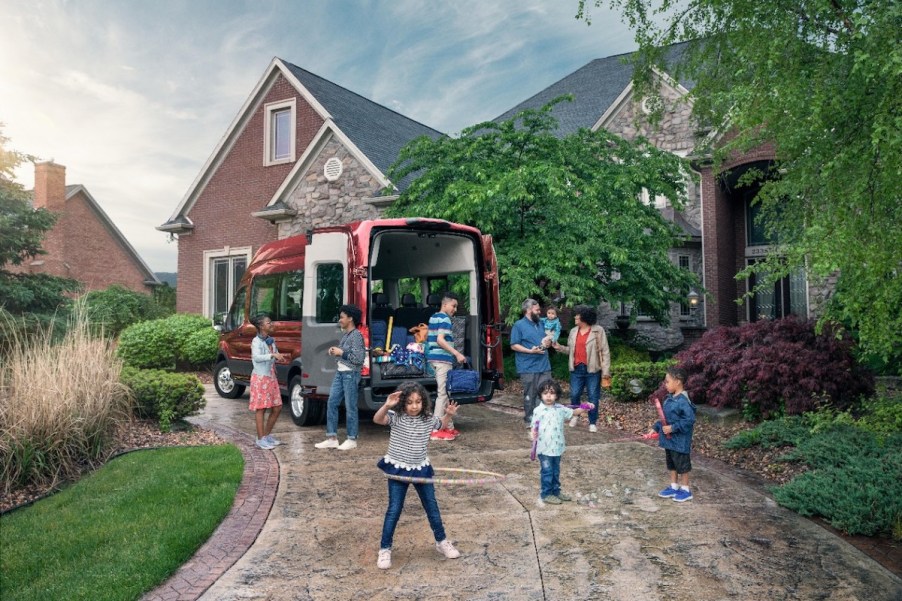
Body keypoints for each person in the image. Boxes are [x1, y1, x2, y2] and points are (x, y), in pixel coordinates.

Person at [373, 381, 462, 569]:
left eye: (418, 402)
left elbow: (441, 426)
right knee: (394, 509)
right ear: (402, 402)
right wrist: (386, 405)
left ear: (423, 402)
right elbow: (377, 420)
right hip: (399, 469)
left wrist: (448, 415)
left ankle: (441, 542)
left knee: (432, 507)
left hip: (421, 467)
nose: (414, 406)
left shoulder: (427, 418)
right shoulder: (396, 417)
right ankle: (385, 549)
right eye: (410, 402)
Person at [529, 379, 589, 505]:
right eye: (545, 393)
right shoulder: (538, 411)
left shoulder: (560, 409)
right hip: (544, 448)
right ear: (541, 395)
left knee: (555, 471)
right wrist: (533, 433)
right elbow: (533, 427)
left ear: (556, 395)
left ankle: (556, 491)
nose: (549, 396)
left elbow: (574, 412)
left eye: (552, 393)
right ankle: (546, 494)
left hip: (557, 447)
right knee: (547, 472)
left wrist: (584, 407)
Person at [315, 304, 366, 451]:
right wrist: (336, 351)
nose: (340, 320)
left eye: (342, 317)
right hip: (341, 373)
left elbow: (359, 358)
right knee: (332, 403)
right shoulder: (347, 335)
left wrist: (340, 353)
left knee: (351, 407)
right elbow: (347, 353)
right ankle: (332, 438)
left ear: (350, 318)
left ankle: (352, 439)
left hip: (350, 374)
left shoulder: (356, 335)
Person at [553, 305, 611, 433]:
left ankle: (592, 422)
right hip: (576, 369)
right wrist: (559, 347)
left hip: (592, 370)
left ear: (584, 317)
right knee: (574, 394)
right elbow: (570, 350)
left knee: (593, 396)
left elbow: (605, 352)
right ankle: (575, 415)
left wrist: (606, 372)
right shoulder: (573, 331)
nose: (575, 317)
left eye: (577, 315)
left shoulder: (598, 331)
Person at [649, 366, 697, 502]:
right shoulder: (669, 398)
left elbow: (689, 420)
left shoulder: (683, 401)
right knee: (672, 464)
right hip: (669, 441)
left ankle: (686, 490)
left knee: (682, 465)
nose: (665, 384)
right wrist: (656, 428)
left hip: (680, 441)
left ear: (678, 381)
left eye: (667, 381)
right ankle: (674, 486)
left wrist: (673, 428)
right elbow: (664, 419)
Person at [426, 291, 467, 441]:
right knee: (443, 394)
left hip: (434, 358)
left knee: (445, 393)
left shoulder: (434, 317)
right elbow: (440, 340)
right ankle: (435, 429)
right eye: (453, 306)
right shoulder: (444, 319)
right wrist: (457, 353)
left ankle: (448, 426)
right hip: (442, 360)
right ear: (445, 304)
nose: (454, 309)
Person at [510, 299, 552, 426]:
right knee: (531, 394)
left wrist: (547, 343)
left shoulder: (540, 324)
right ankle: (530, 419)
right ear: (528, 310)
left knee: (546, 392)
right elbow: (514, 345)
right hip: (527, 366)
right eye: (537, 310)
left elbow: (545, 341)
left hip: (544, 365)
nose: (540, 312)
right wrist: (530, 351)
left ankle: (542, 420)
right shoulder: (518, 325)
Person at [249, 314, 285, 450]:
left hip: (271, 378)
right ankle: (260, 439)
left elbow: (273, 354)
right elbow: (257, 357)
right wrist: (272, 355)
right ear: (261, 326)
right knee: (261, 409)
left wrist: (278, 356)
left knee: (277, 407)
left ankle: (266, 435)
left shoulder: (270, 340)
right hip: (260, 378)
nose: (271, 325)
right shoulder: (256, 341)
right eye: (268, 323)